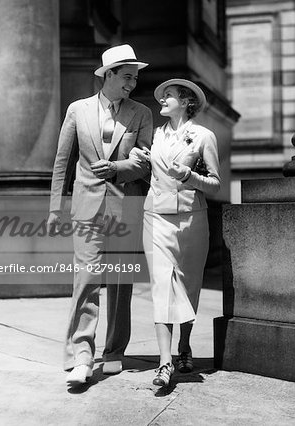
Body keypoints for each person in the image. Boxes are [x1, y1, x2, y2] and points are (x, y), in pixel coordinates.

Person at [47, 44, 153, 387]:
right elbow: (62, 162)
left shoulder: (141, 113)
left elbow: (145, 160)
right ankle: (81, 355)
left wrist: (119, 167)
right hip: (86, 207)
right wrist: (54, 208)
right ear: (107, 75)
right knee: (87, 279)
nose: (132, 84)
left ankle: (114, 350)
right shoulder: (77, 110)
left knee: (121, 283)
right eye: (126, 77)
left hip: (125, 204)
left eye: (135, 78)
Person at [131, 78, 220, 387]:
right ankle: (164, 362)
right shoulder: (154, 136)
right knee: (161, 286)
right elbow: (148, 172)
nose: (162, 100)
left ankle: (184, 346)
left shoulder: (203, 137)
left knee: (188, 286)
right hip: (155, 218)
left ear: (185, 101)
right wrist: (140, 161)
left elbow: (216, 183)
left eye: (168, 95)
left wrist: (190, 175)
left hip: (191, 221)